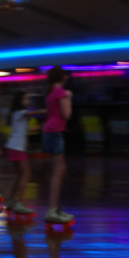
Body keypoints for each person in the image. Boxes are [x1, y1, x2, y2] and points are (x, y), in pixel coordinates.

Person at [40, 67, 74, 224]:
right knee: (59, 170)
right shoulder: (61, 93)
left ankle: (54, 208)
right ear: (63, 77)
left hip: (48, 130)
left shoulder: (50, 92)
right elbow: (67, 115)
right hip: (55, 131)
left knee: (59, 169)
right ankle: (52, 209)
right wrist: (69, 98)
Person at [2, 92, 40, 214]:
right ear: (19, 101)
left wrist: (40, 127)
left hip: (14, 147)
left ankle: (11, 200)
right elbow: (34, 113)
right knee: (26, 174)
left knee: (20, 175)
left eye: (28, 98)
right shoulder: (20, 113)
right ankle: (18, 202)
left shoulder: (17, 114)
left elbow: (26, 129)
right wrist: (50, 109)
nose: (28, 101)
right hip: (17, 148)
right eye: (25, 98)